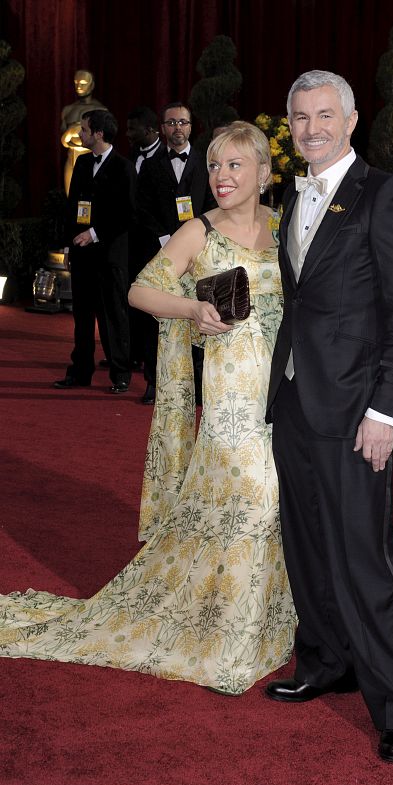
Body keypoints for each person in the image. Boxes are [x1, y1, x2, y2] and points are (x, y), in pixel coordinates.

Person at [0, 122, 295, 695]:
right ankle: (226, 637)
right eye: (215, 166)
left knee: (273, 506)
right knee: (251, 503)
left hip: (282, 392)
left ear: (264, 172)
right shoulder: (198, 231)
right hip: (232, 394)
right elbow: (139, 290)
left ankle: (258, 623)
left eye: (236, 165)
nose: (223, 177)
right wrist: (191, 310)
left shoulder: (285, 229)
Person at [264, 71, 393, 764]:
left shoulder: (384, 194)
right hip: (298, 400)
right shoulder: (291, 194)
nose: (311, 128)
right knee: (306, 546)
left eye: (324, 115)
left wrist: (386, 411)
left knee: (365, 558)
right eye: (300, 117)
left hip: (357, 406)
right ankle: (327, 660)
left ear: (352, 119)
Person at [136, 101, 213, 405]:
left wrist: (197, 239)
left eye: (183, 122)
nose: (177, 128)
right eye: (171, 123)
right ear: (162, 128)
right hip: (160, 252)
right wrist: (166, 238)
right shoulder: (151, 166)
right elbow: (141, 208)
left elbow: (212, 204)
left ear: (192, 127)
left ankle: (196, 383)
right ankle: (154, 382)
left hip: (199, 253)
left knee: (197, 314)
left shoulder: (207, 163)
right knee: (156, 318)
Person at [54, 109, 136, 394]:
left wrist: (95, 233)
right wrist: (68, 243)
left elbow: (127, 213)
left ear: (99, 133)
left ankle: (121, 372)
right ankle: (80, 371)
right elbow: (72, 206)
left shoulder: (124, 167)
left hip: (110, 255)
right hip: (82, 254)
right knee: (82, 315)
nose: (80, 135)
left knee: (113, 314)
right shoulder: (82, 162)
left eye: (84, 130)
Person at [125, 106, 165, 380]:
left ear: (150, 130)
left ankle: (153, 362)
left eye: (132, 129)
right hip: (132, 241)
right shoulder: (130, 156)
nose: (128, 134)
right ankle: (133, 353)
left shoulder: (166, 158)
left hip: (159, 241)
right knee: (132, 296)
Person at [60, 69, 107, 195]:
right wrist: (70, 131)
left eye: (83, 83)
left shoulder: (100, 109)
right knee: (71, 199)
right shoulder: (68, 110)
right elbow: (63, 141)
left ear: (91, 84)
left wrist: (75, 131)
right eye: (76, 83)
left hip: (92, 160)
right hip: (72, 159)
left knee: (90, 200)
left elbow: (103, 139)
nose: (78, 86)